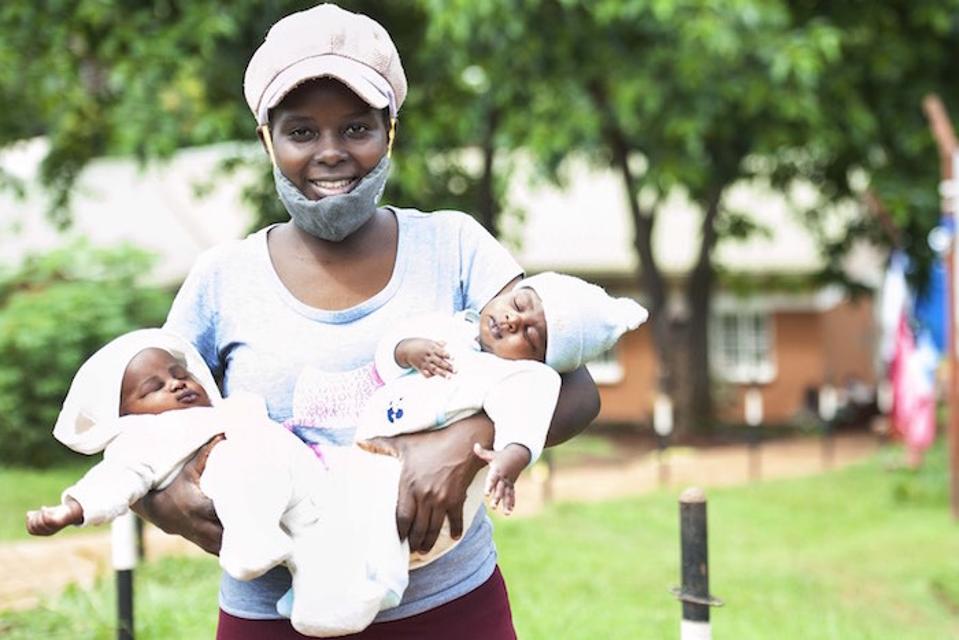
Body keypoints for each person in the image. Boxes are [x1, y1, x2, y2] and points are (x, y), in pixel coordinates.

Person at [135, 4, 600, 638]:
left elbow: (576, 389)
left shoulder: (456, 247)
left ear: (391, 131)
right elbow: (142, 425)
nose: (331, 154)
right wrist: (164, 503)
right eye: (301, 132)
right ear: (267, 138)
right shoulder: (222, 280)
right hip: (271, 615)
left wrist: (463, 445)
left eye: (356, 127)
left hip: (447, 606)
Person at [27, 329, 408, 637]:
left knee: (342, 526)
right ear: (125, 415)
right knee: (231, 462)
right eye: (153, 387)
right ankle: (255, 541)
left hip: (305, 489)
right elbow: (115, 480)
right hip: (245, 491)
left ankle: (352, 595)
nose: (177, 385)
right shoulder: (143, 438)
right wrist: (72, 509)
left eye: (180, 373)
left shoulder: (228, 407)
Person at [359, 271, 648, 515]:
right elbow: (386, 357)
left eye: (529, 336)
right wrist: (407, 350)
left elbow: (523, 421)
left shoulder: (514, 376)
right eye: (519, 303)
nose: (513, 320)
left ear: (538, 362)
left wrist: (512, 457)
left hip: (418, 488)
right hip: (367, 444)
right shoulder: (450, 326)